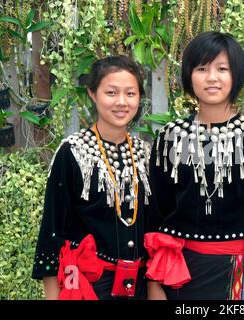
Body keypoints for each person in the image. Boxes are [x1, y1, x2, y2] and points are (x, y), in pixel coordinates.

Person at [145, 31, 244, 300]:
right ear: (189, 75)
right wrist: (153, 283)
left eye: (222, 69)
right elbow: (155, 213)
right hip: (180, 272)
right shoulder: (169, 137)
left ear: (236, 75)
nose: (212, 78)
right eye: (202, 69)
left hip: (239, 270)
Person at [31, 56, 153, 300]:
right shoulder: (73, 152)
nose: (121, 102)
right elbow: (52, 233)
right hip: (90, 287)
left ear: (140, 98)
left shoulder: (146, 153)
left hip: (138, 286)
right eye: (111, 92)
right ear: (92, 94)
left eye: (130, 93)